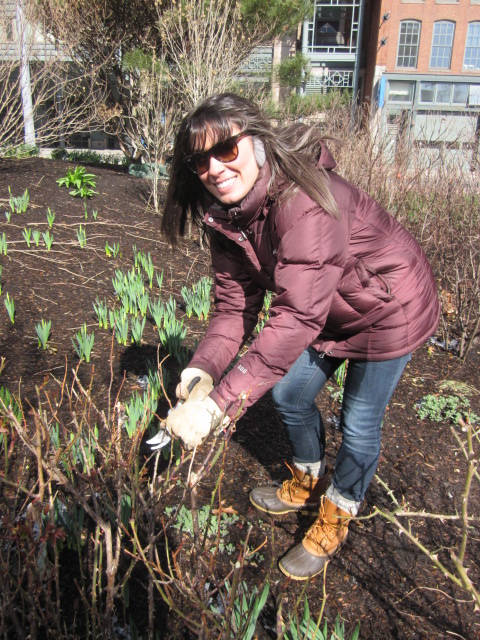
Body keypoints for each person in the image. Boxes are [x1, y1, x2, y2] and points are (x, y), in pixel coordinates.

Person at [161, 93, 440, 580]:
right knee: (290, 394)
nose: (215, 168)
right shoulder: (226, 216)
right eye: (200, 160)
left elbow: (295, 317)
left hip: (390, 308)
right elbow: (234, 307)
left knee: (358, 422)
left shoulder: (302, 201)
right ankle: (307, 480)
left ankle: (339, 508)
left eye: (226, 149)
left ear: (257, 142)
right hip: (328, 309)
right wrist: (202, 369)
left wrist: (215, 409)